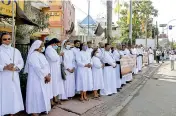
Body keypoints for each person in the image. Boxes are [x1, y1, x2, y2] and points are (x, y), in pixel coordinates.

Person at [25, 40, 51, 116]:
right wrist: (45, 76)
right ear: (37, 46)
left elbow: (47, 65)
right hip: (36, 79)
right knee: (35, 94)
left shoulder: (41, 55)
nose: (43, 47)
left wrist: (48, 74)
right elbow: (37, 68)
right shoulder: (33, 55)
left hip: (44, 78)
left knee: (42, 94)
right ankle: (34, 111)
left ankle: (42, 108)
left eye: (43, 45)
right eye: (42, 46)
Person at [0, 32, 24, 116]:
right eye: (5, 39)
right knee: (4, 95)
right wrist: (4, 67)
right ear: (1, 40)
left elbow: (21, 62)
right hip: (3, 77)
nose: (7, 41)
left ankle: (12, 113)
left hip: (14, 76)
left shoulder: (15, 51)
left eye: (9, 39)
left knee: (13, 95)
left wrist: (16, 68)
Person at [45, 38, 65, 106]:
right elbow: (53, 58)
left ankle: (55, 98)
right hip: (51, 68)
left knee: (56, 84)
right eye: (57, 44)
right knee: (52, 84)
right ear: (53, 43)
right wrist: (59, 55)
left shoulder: (52, 49)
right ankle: (51, 101)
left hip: (56, 69)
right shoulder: (49, 49)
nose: (57, 45)